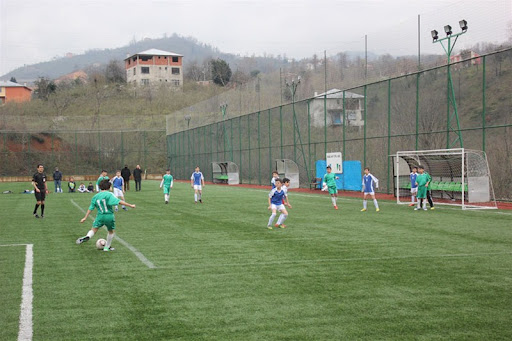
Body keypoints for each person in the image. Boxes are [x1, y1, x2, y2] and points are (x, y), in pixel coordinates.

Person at [76, 179, 136, 252]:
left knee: (94, 229)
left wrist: (85, 217)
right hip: (109, 216)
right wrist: (130, 205)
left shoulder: (95, 196)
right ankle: (106, 247)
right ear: (108, 187)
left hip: (100, 216)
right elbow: (119, 201)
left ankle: (88, 236)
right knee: (111, 231)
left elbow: (91, 208)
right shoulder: (109, 194)